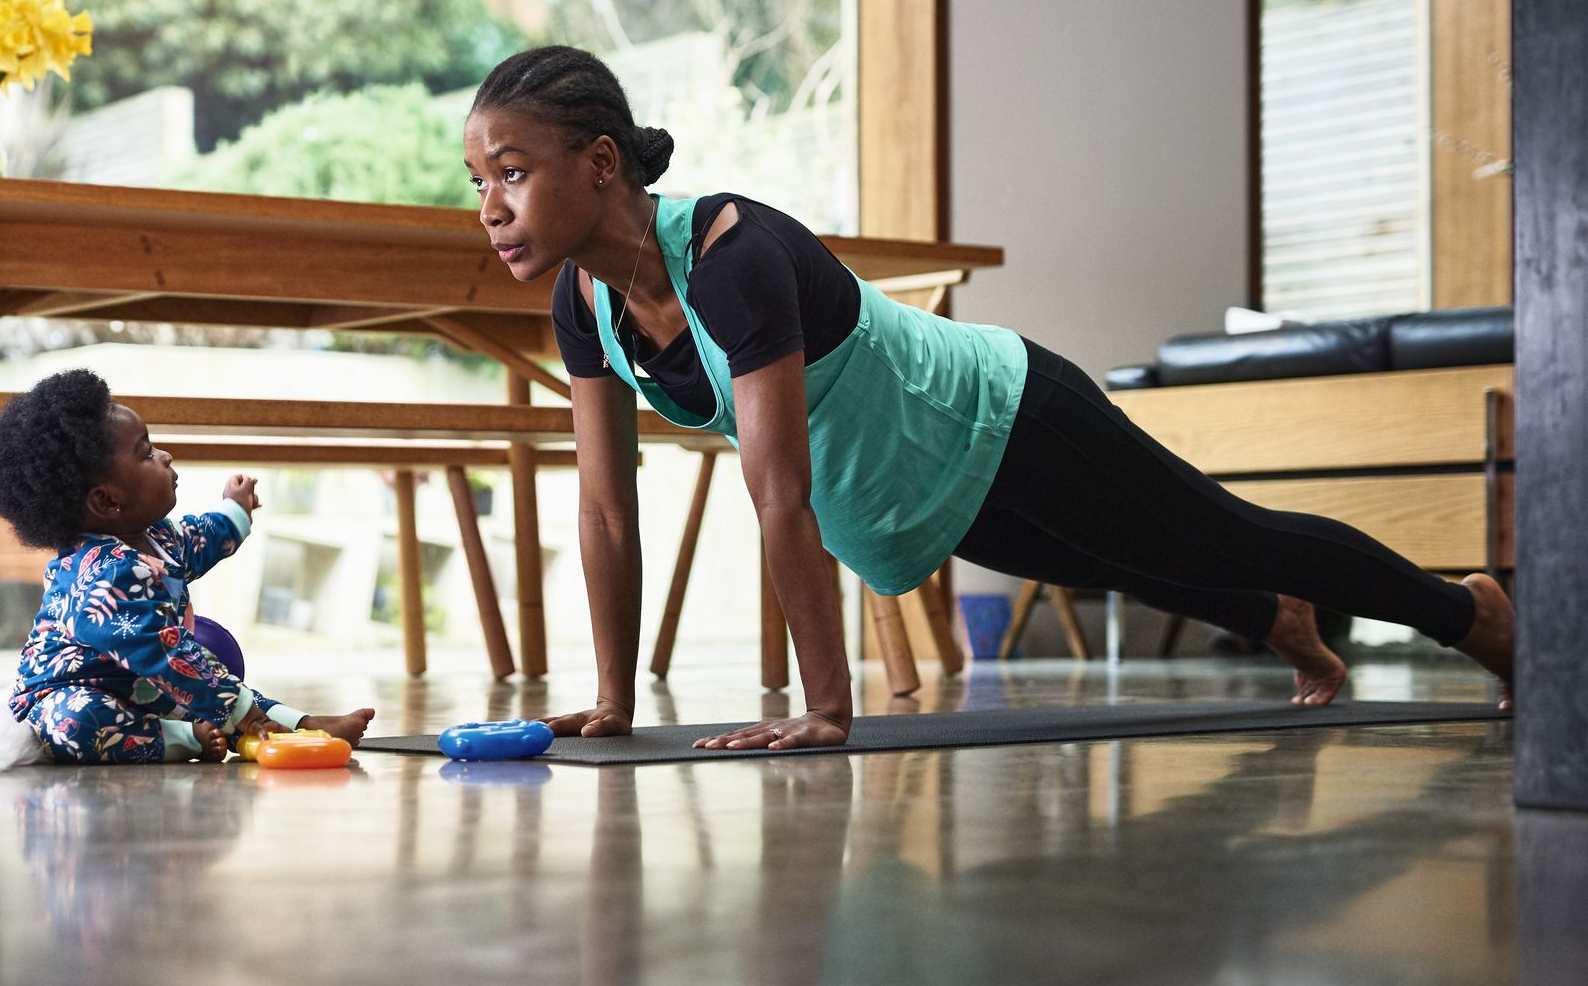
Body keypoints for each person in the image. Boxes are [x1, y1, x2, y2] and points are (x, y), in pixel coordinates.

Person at [462, 46, 1516, 751]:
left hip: (1000, 412)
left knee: (1225, 531)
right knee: (1117, 560)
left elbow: (779, 496)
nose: (489, 206)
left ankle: (1467, 614)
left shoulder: (730, 256)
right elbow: (604, 508)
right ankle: (1275, 619)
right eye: (475, 181)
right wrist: (611, 698)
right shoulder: (581, 300)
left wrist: (829, 706)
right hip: (912, 478)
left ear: (600, 163)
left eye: (508, 171)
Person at [0, 369, 375, 763]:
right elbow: (165, 656)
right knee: (76, 721)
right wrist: (241, 713)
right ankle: (180, 740)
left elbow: (201, 537)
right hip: (68, 694)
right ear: (107, 501)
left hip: (143, 688)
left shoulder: (157, 537)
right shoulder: (100, 576)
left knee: (212, 687)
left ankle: (300, 723)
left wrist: (233, 510)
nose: (164, 455)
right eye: (147, 452)